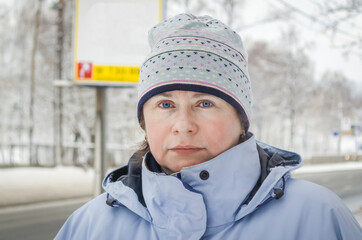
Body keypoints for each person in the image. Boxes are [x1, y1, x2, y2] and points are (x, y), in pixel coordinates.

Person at [55, 13, 362, 240]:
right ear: (144, 121)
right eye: (165, 105)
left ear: (241, 118)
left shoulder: (319, 220)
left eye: (204, 103)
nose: (184, 126)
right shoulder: (88, 227)